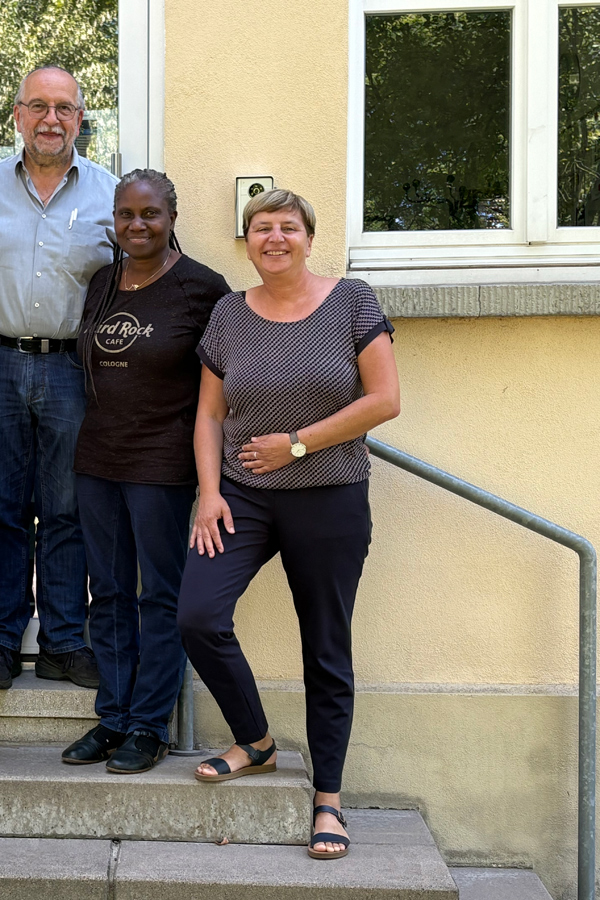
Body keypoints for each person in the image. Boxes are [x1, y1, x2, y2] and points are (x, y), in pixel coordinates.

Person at [176, 188, 400, 859]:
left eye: (288, 227)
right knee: (198, 615)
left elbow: (385, 399)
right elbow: (210, 414)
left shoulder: (352, 302)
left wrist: (296, 443)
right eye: (261, 228)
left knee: (325, 648)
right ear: (248, 240)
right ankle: (257, 742)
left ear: (308, 236)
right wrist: (209, 493)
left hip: (328, 495)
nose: (275, 237)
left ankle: (328, 799)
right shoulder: (228, 315)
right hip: (242, 495)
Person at [0, 65, 116, 690]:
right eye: (38, 106)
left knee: (68, 508)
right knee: (4, 507)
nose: (50, 119)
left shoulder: (108, 194)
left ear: (79, 118)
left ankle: (66, 642)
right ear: (17, 115)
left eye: (63, 108)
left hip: (74, 367)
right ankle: (2, 641)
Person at [62, 170, 230, 773]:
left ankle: (148, 725)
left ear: (172, 217)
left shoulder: (202, 288)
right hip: (98, 459)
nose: (137, 225)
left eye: (150, 214)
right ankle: (112, 717)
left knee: (158, 595)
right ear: (114, 218)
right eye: (126, 214)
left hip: (162, 466)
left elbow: (230, 374)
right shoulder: (103, 282)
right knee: (106, 592)